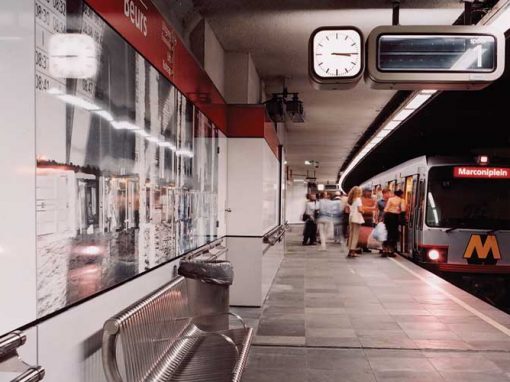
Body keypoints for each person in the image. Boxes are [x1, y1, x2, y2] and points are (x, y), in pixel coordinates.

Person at [383, 189, 406, 257]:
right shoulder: (402, 200)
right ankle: (391, 251)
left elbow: (386, 209)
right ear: (401, 194)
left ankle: (385, 250)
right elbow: (403, 209)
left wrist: (383, 218)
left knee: (388, 233)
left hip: (388, 216)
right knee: (394, 234)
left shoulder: (390, 199)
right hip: (395, 218)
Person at [347, 186, 364, 258]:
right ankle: (353, 251)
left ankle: (350, 251)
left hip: (351, 217)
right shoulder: (358, 199)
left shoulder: (351, 199)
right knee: (355, 235)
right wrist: (363, 211)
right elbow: (360, 210)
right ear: (358, 192)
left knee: (351, 234)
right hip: (356, 217)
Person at [361, 188, 377, 252]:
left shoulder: (372, 200)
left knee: (367, 233)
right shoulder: (360, 199)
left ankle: (365, 247)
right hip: (362, 218)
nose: (370, 193)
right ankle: (359, 246)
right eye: (368, 192)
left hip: (369, 218)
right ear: (364, 192)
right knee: (361, 233)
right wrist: (370, 208)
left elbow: (375, 208)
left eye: (370, 192)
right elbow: (361, 208)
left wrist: (366, 208)